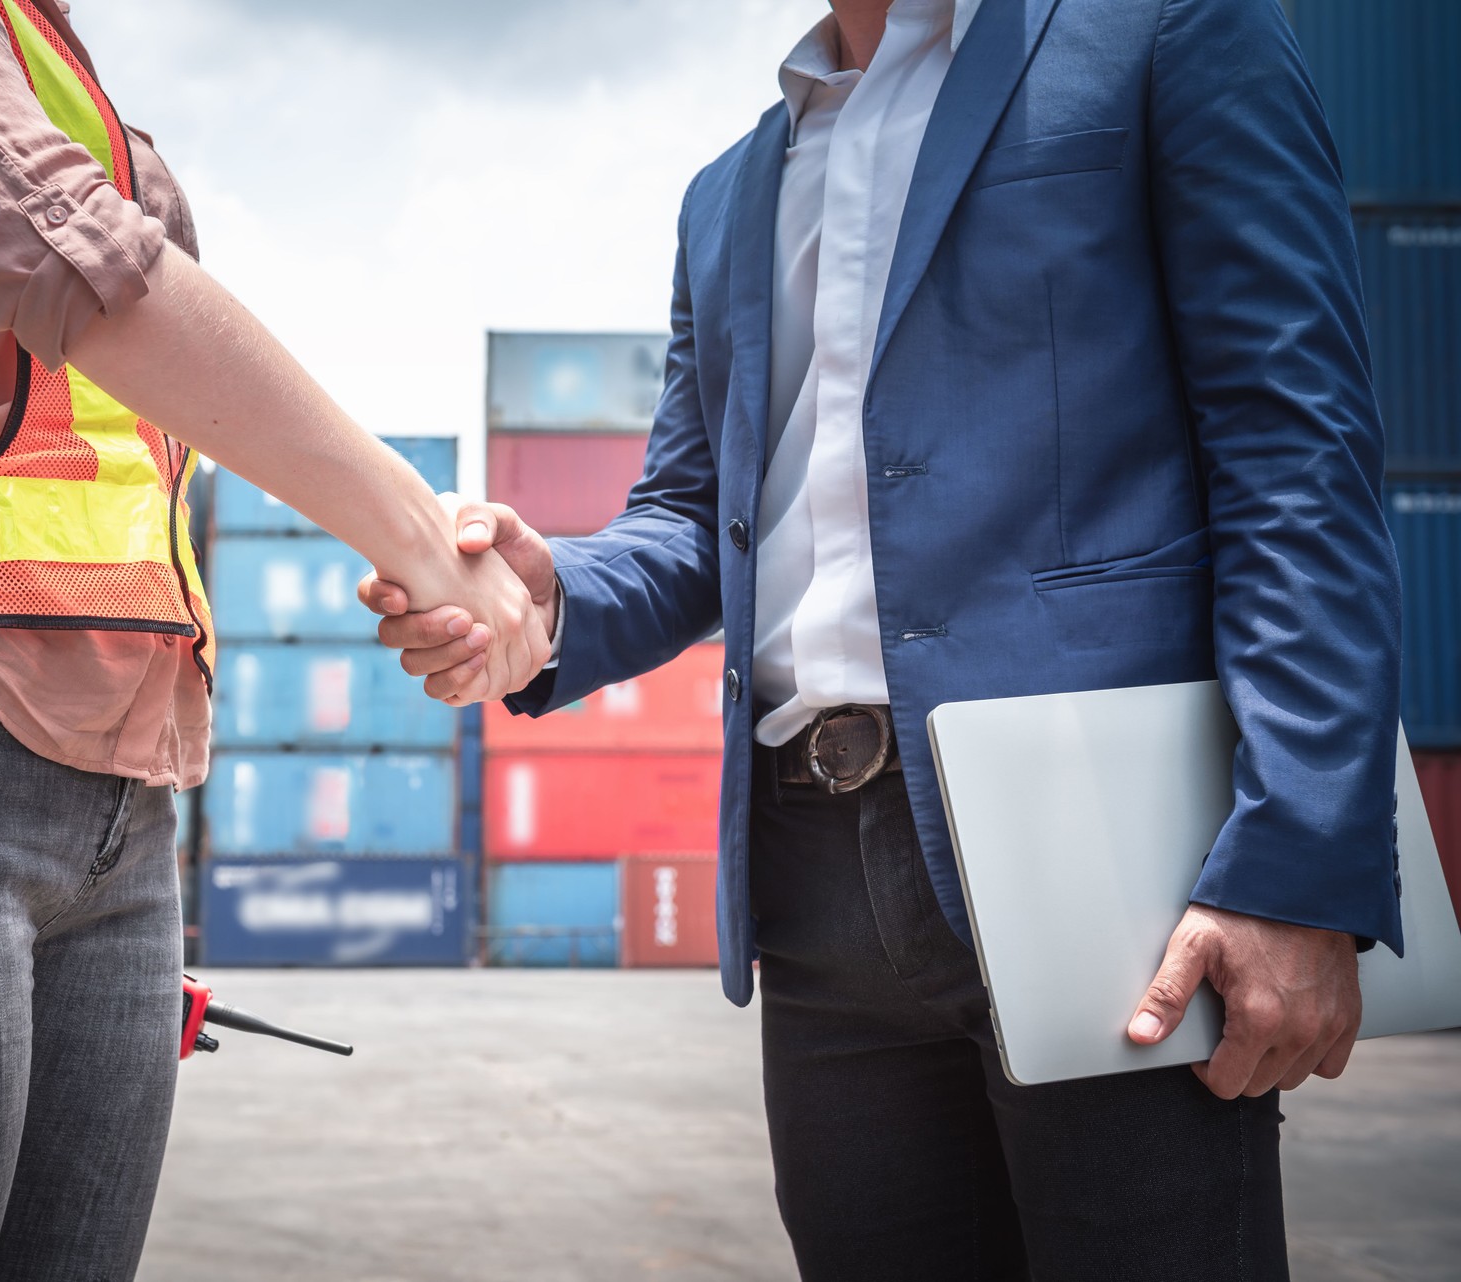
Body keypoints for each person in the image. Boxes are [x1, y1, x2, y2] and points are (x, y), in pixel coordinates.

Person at [365, 0, 1401, 1276]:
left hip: (1103, 867)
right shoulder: (728, 191)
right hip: (813, 879)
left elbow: (1297, 449)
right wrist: (555, 593)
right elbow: (700, 520)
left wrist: (1299, 863)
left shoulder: (1168, 29)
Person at [0, 0, 547, 1277]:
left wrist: (432, 544)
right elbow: (66, 255)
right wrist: (407, 528)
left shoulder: (34, 32)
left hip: (123, 801)